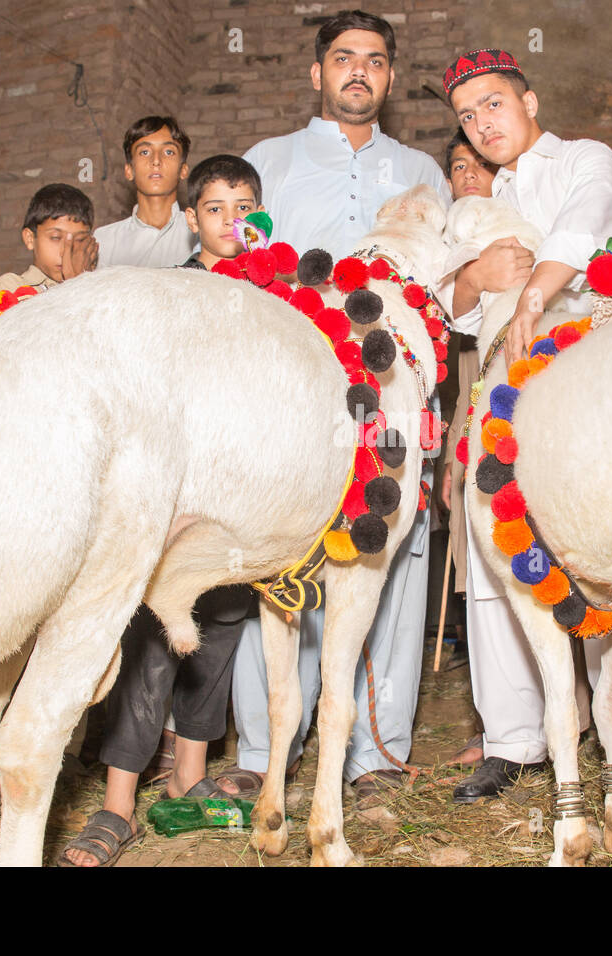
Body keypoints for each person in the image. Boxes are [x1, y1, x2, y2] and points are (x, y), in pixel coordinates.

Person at [226, 9, 450, 806]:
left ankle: (374, 757)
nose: (360, 70)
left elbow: (442, 292)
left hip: (395, 396)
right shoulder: (268, 162)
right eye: (344, 58)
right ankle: (263, 748)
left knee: (388, 550)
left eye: (377, 60)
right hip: (299, 390)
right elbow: (243, 267)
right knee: (280, 553)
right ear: (317, 73)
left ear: (389, 77)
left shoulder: (423, 169)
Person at [438, 48, 612, 802]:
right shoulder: (479, 199)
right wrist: (475, 277)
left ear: (530, 103)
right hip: (498, 389)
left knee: (591, 543)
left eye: (492, 104)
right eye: (466, 116)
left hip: (586, 375)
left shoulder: (585, 157)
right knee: (499, 556)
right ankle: (514, 740)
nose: (481, 124)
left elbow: (585, 228)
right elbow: (446, 303)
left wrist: (530, 296)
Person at [60, 155, 265, 866]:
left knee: (223, 631)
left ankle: (190, 778)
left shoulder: (283, 298)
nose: (232, 221)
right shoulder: (169, 293)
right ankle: (118, 803)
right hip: (178, 495)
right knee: (154, 639)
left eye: (246, 206)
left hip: (247, 499)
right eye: (216, 208)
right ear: (191, 218)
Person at [438, 129, 497, 767]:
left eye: (482, 165)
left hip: (527, 407)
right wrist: (454, 447)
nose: (471, 176)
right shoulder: (446, 254)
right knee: (472, 570)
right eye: (459, 167)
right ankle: (494, 727)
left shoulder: (521, 234)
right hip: (469, 409)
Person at [0, 183, 96, 324]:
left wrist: (85, 283)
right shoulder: (11, 287)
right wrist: (74, 286)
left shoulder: (97, 291)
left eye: (79, 240)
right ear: (30, 238)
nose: (65, 251)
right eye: (55, 238)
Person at [93, 114, 196, 269]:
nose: (156, 160)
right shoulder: (105, 240)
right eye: (144, 152)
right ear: (129, 170)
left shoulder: (199, 235)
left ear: (183, 170)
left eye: (168, 152)